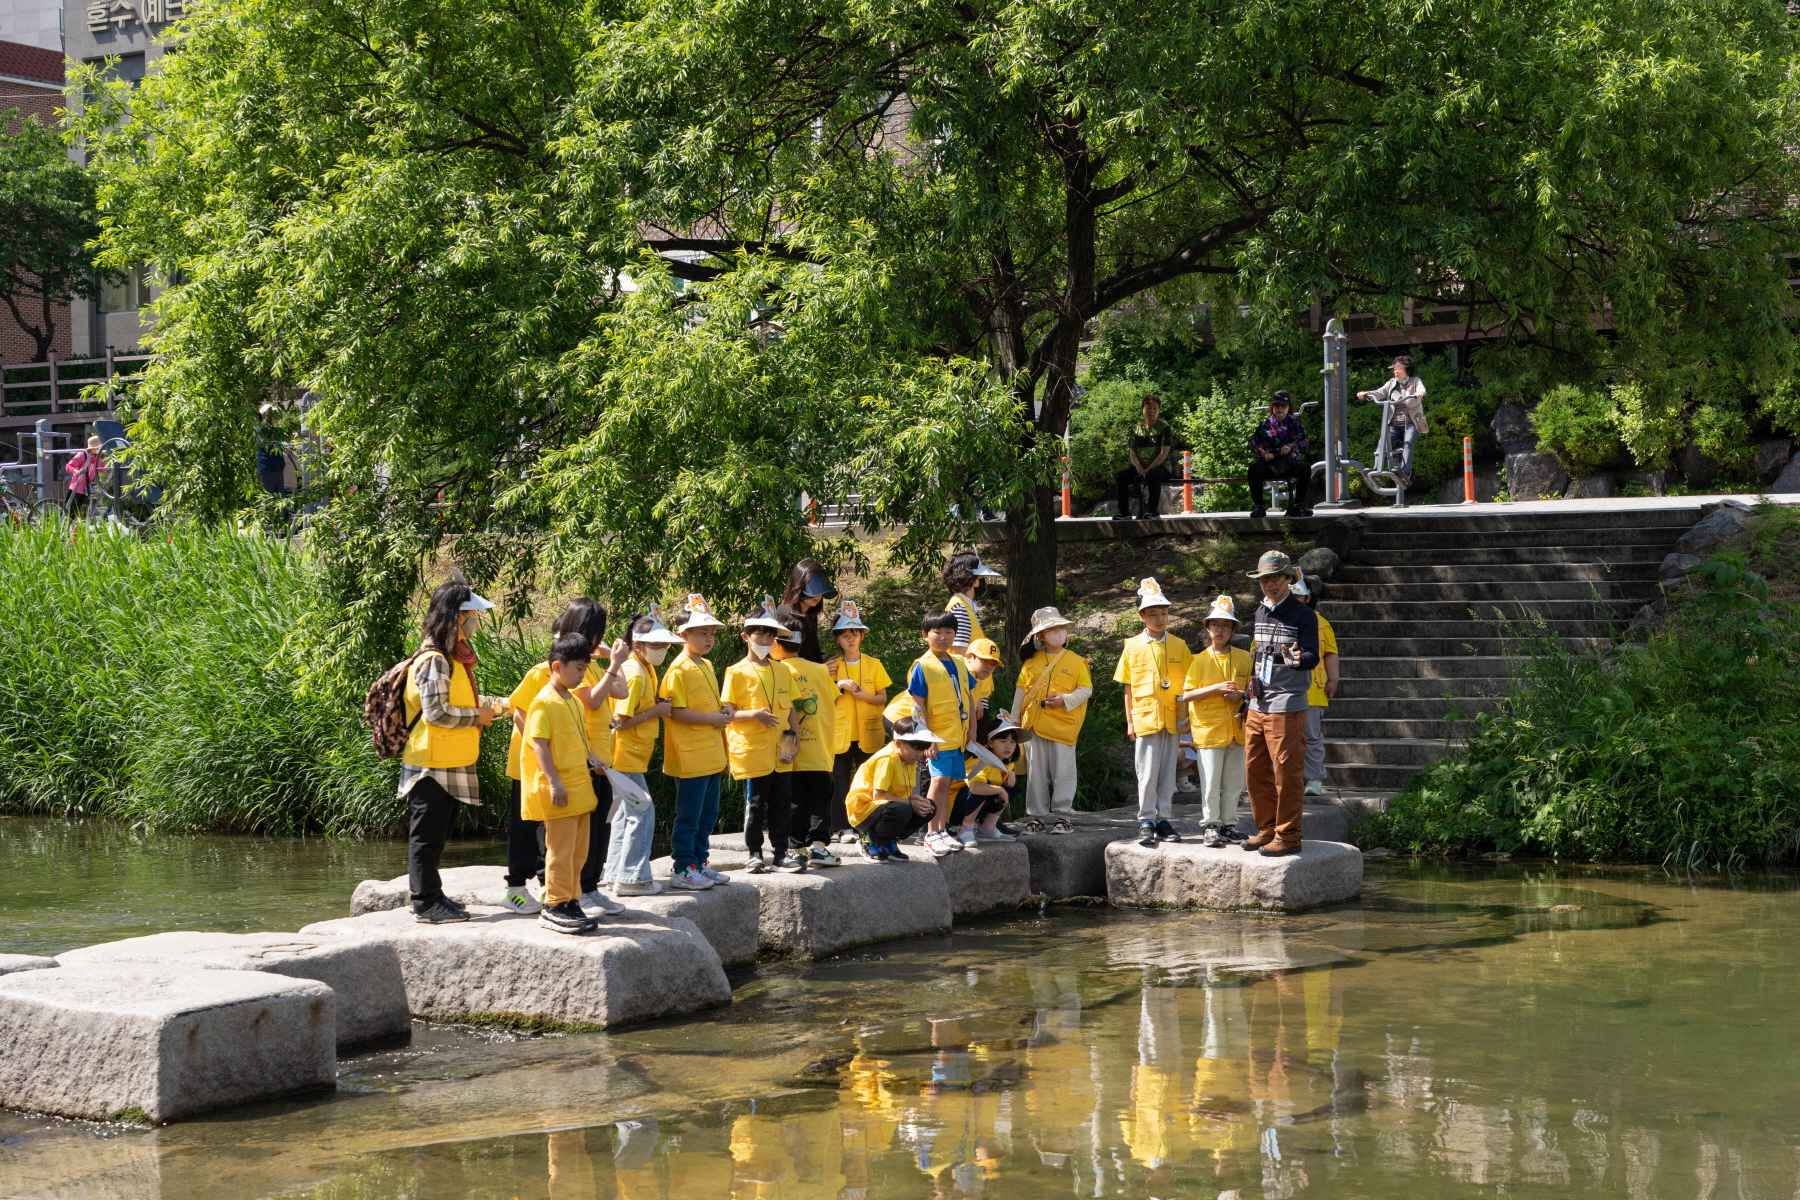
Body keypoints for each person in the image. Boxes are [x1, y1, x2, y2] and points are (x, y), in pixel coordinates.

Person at [502, 598, 629, 918]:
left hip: (578, 760)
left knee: (574, 830)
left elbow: (616, 696)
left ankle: (572, 889)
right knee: (527, 826)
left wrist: (612, 663)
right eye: (595, 632)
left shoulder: (586, 666)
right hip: (536, 762)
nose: (598, 639)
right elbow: (520, 711)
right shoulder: (548, 671)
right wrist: (539, 750)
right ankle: (517, 887)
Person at [398, 580, 503, 923]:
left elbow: (462, 703)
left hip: (449, 761)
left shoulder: (452, 657)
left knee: (438, 836)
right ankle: (425, 904)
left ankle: (434, 894)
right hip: (429, 764)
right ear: (459, 616)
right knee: (426, 838)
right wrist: (479, 716)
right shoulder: (435, 660)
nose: (478, 621)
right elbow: (437, 713)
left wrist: (504, 706)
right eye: (474, 614)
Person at [522, 633, 605, 935]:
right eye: (579, 668)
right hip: (560, 791)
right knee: (559, 850)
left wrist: (594, 760)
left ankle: (571, 900)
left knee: (578, 851)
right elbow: (539, 744)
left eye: (585, 668)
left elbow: (580, 741)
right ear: (558, 665)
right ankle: (554, 904)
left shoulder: (571, 700)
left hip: (580, 788)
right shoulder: (543, 701)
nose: (583, 674)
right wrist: (554, 783)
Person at [1242, 551, 1320, 857]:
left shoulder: (1303, 615)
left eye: (1275, 578)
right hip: (1258, 702)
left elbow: (1312, 656)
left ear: (1288, 578)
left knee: (1286, 772)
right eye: (1264, 579)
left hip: (1287, 704)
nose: (1269, 584)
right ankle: (1266, 829)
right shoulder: (1260, 612)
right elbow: (1260, 657)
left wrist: (1300, 660)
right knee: (1254, 769)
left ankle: (1288, 835)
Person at [603, 607, 685, 896]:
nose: (662, 650)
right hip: (623, 755)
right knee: (643, 811)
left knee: (625, 815)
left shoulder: (643, 667)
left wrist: (656, 704)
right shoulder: (634, 671)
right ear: (638, 645)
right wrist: (657, 711)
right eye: (656, 645)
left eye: (665, 645)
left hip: (632, 756)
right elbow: (619, 722)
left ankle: (614, 875)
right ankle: (632, 878)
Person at [659, 594, 735, 890]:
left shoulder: (704, 664)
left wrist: (724, 710)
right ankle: (682, 866)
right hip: (690, 755)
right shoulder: (678, 668)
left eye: (712, 633)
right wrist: (713, 720)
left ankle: (700, 863)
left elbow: (709, 705)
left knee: (708, 813)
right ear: (684, 634)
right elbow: (674, 711)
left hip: (711, 754)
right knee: (689, 814)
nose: (709, 638)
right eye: (703, 632)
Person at [1113, 578, 1192, 848]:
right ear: (1141, 616)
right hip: (1145, 716)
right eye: (1153, 614)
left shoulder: (1180, 645)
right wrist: (1129, 720)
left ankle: (1164, 819)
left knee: (1168, 771)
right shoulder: (1132, 646)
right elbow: (1128, 687)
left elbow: (1190, 685)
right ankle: (1146, 819)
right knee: (1146, 771)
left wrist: (1189, 715)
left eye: (1164, 613)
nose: (1160, 618)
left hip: (1174, 717)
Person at [726, 597, 802, 874]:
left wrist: (795, 741)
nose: (765, 639)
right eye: (760, 633)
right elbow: (727, 713)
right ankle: (754, 853)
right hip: (753, 751)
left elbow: (791, 708)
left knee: (783, 803)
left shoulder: (783, 670)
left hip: (781, 750)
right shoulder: (735, 672)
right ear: (746, 636)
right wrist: (753, 715)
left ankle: (781, 854)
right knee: (755, 803)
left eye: (771, 635)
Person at [1179, 595, 1252, 848]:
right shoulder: (1198, 660)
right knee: (1210, 780)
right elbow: (1186, 694)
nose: (1220, 630)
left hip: (1237, 728)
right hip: (1208, 729)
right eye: (1215, 625)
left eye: (1225, 625)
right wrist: (1216, 687)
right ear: (1208, 629)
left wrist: (1241, 694)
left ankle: (1228, 825)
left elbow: (1255, 689)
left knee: (1234, 782)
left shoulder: (1245, 657)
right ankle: (1210, 825)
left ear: (1233, 629)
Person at [772, 612, 841, 866]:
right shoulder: (820, 670)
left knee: (793, 799)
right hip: (819, 748)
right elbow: (833, 698)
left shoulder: (775, 671)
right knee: (821, 797)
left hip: (788, 749)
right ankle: (819, 847)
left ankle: (796, 849)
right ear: (800, 643)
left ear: (776, 644)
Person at [908, 610, 979, 857]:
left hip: (957, 736)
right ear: (925, 635)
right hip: (937, 738)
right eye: (938, 632)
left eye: (949, 632)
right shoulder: (922, 666)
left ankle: (941, 830)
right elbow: (917, 706)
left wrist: (972, 729)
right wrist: (925, 737)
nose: (944, 637)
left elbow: (969, 697)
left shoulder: (960, 662)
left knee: (947, 784)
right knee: (937, 782)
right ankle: (930, 833)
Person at [1015, 606, 1092, 826]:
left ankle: (1063, 816)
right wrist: (1014, 722)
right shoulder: (1031, 662)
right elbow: (1020, 694)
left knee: (1064, 772)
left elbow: (1086, 690)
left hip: (1063, 725)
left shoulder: (1077, 661)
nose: (1059, 632)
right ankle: (1037, 817)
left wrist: (1064, 699)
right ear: (1040, 635)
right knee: (1035, 773)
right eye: (1052, 629)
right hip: (1033, 725)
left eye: (1061, 628)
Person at [825, 601, 890, 844]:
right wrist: (838, 686)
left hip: (868, 732)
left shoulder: (874, 664)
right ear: (837, 639)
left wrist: (863, 696)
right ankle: (842, 827)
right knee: (838, 781)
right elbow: (821, 698)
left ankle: (868, 824)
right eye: (844, 635)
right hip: (839, 733)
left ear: (862, 635)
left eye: (854, 634)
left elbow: (883, 697)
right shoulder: (831, 666)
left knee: (867, 780)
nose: (850, 639)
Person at [846, 717, 947, 862]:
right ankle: (869, 841)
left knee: (929, 807)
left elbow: (901, 792)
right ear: (898, 742)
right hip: (863, 811)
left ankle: (887, 840)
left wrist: (914, 799)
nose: (919, 754)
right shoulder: (887, 759)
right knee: (902, 809)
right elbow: (878, 796)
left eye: (923, 749)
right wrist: (910, 803)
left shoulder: (909, 760)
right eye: (915, 748)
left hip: (886, 806)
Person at [1290, 575, 1339, 797]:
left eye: (1297, 595)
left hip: (1313, 688)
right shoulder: (1272, 619)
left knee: (1311, 735)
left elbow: (1330, 652)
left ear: (1307, 598)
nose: (1292, 599)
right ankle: (1286, 779)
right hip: (1281, 688)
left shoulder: (1321, 621)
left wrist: (1333, 679)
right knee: (1283, 736)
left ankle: (1314, 778)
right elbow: (1256, 652)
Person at [950, 713, 1030, 844]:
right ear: (991, 742)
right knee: (983, 788)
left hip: (971, 806)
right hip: (954, 809)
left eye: (1012, 742)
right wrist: (1000, 790)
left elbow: (1010, 767)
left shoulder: (1005, 762)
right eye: (1003, 741)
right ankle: (965, 829)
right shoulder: (979, 761)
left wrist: (1012, 774)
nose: (1008, 746)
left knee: (1011, 787)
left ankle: (987, 829)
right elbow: (975, 788)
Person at [1357, 355, 1428, 487]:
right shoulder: (1391, 383)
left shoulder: (1415, 381)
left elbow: (1421, 390)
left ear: (1408, 370)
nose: (1396, 372)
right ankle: (1377, 470)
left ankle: (1405, 472)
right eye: (1394, 369)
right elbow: (1379, 393)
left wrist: (1420, 394)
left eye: (1399, 369)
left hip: (1411, 424)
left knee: (1408, 443)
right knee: (1383, 440)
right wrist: (1367, 393)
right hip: (1394, 425)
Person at [1247, 390, 1310, 519]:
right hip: (1271, 464)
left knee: (1305, 468)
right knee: (1254, 469)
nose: (1280, 409)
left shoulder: (1296, 423)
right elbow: (1252, 443)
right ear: (1272, 408)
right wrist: (1264, 453)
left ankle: (1299, 505)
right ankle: (1259, 506)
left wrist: (1291, 446)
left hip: (1291, 463)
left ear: (1289, 407)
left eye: (1283, 406)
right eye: (1277, 406)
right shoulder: (1265, 424)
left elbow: (1304, 442)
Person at [1114, 394, 1175, 520]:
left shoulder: (1164, 428)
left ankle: (1153, 511)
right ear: (1143, 409)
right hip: (1140, 467)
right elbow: (1132, 452)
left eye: (1154, 408)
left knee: (1153, 474)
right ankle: (1124, 512)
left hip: (1161, 467)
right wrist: (1139, 468)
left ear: (1159, 410)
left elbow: (1163, 453)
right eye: (1148, 408)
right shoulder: (1136, 428)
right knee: (1122, 475)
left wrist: (1147, 470)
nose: (1151, 411)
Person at [941, 550, 1002, 651]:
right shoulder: (960, 609)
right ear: (973, 581)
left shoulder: (967, 607)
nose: (984, 582)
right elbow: (959, 653)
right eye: (981, 577)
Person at [779, 558, 838, 663]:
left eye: (821, 588)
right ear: (799, 587)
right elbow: (788, 664)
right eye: (813, 588)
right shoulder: (786, 619)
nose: (818, 595)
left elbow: (809, 654)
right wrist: (821, 669)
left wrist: (825, 658)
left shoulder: (810, 614)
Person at [255, 404, 290, 498]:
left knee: (279, 500)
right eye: (273, 414)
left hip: (278, 467)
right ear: (266, 416)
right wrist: (279, 444)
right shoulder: (259, 429)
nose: (276, 416)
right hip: (266, 468)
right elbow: (265, 444)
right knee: (265, 499)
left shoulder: (276, 430)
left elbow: (286, 440)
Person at [64, 435, 102, 518]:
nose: (100, 449)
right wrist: (78, 471)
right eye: (99, 447)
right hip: (77, 487)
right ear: (93, 448)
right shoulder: (82, 454)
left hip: (86, 488)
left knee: (77, 510)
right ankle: (64, 526)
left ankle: (71, 528)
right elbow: (68, 466)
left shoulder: (96, 457)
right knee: (69, 509)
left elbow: (103, 468)